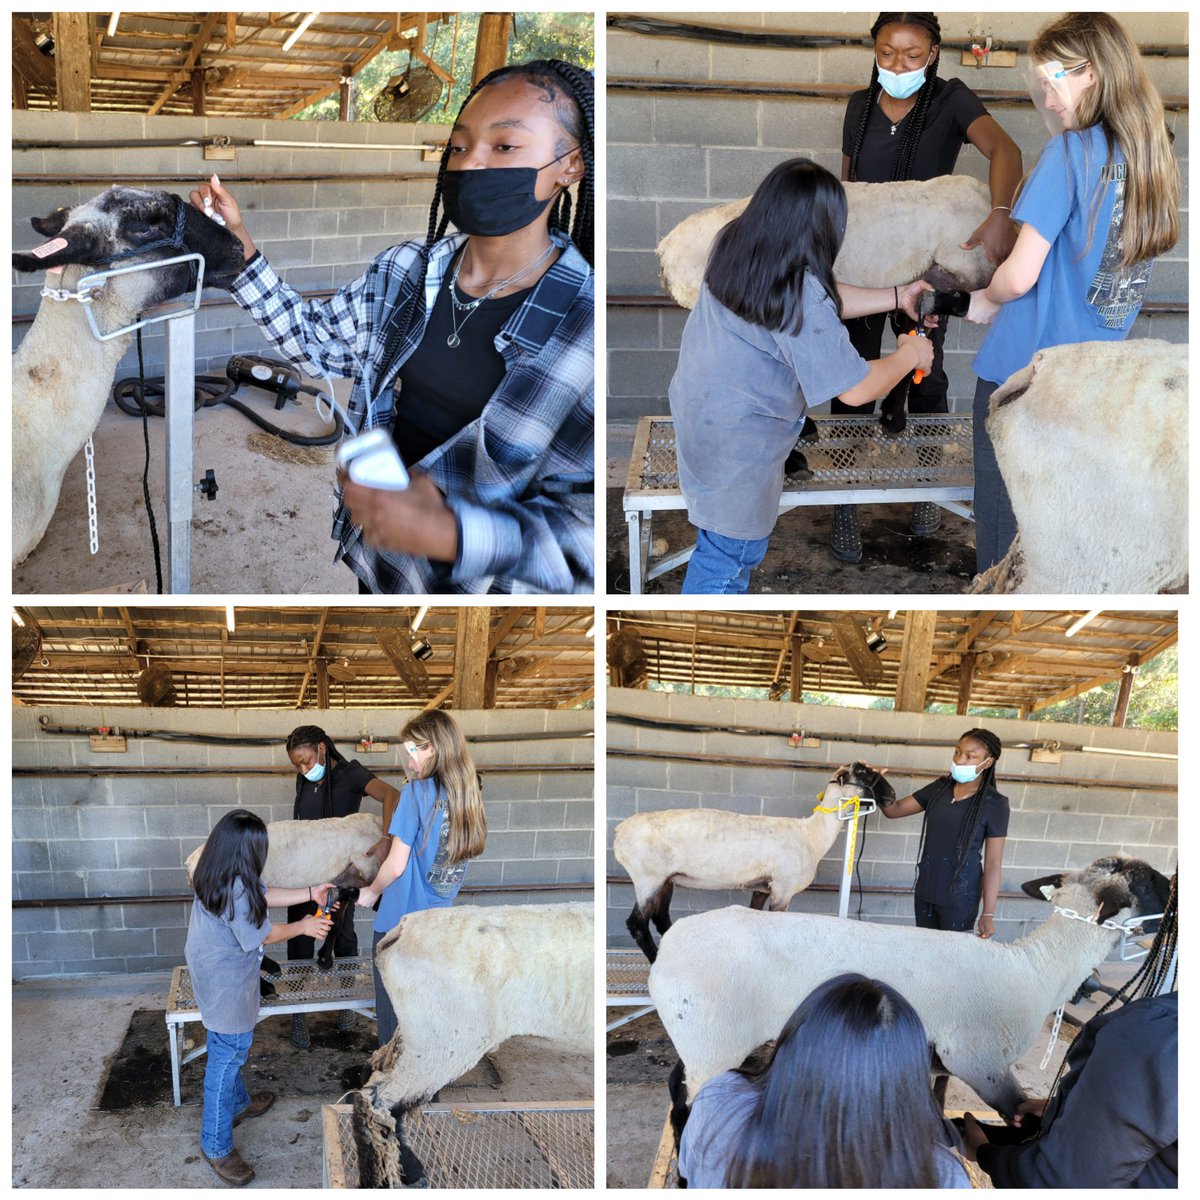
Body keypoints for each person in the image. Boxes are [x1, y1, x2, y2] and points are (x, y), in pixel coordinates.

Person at [191, 59, 594, 594]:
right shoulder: (406, 270)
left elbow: (583, 547)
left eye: (504, 147)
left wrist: (450, 532)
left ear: (569, 166)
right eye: (457, 146)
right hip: (380, 562)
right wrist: (237, 247)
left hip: (478, 596)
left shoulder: (585, 329)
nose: (470, 164)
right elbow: (315, 343)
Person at [964, 12, 1180, 573]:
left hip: (1024, 378)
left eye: (1054, 81)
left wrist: (987, 297)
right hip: (1097, 383)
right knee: (1069, 537)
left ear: (1092, 72)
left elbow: (1019, 275)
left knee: (1005, 546)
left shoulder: (1069, 155)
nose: (1048, 98)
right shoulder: (1152, 155)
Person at [667, 157, 935, 594]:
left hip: (703, 415)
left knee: (719, 543)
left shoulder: (736, 244)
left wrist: (896, 296)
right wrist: (910, 353)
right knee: (727, 560)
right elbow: (856, 389)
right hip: (740, 443)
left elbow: (818, 299)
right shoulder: (797, 291)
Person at [829, 10, 1023, 562]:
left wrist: (1000, 213)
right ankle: (845, 500)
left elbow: (1006, 151)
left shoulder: (952, 99)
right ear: (874, 50)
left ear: (933, 53)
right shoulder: (858, 106)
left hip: (926, 267)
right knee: (852, 374)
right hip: (863, 265)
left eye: (912, 56)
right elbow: (848, 190)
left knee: (925, 371)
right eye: (887, 53)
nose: (898, 65)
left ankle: (925, 487)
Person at [963, 874, 1178, 1185]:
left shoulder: (1154, 1039)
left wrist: (983, 1152)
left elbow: (1056, 1181)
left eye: (1177, 879)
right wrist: (1069, 1111)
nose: (1171, 881)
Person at [677, 973, 970, 1187]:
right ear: (906, 1081)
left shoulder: (718, 1101)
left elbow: (689, 1175)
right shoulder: (939, 1176)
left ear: (795, 1041)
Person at [185, 809, 334, 1187]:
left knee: (230, 1044)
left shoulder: (219, 870)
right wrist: (304, 924)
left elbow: (264, 894)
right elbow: (262, 934)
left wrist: (310, 892)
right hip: (225, 979)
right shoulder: (235, 888)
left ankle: (238, 1103)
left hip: (217, 970)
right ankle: (215, 1145)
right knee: (228, 1051)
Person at [354, 710, 487, 1047]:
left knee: (393, 1018)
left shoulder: (416, 793)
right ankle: (429, 1093)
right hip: (441, 923)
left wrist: (371, 891)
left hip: (400, 922)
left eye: (413, 749)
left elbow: (396, 866)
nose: (409, 760)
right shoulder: (467, 795)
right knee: (430, 1015)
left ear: (432, 748)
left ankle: (396, 1090)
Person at [283, 725, 400, 1048]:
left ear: (322, 748)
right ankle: (298, 1014)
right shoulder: (306, 782)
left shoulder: (351, 774)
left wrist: (386, 839)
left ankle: (347, 1005)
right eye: (297, 765)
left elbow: (392, 795)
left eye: (306, 760)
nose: (303, 769)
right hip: (305, 877)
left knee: (344, 936)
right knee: (301, 940)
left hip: (341, 877)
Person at [879, 728, 1007, 935]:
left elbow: (993, 864)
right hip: (925, 892)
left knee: (951, 960)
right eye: (958, 752)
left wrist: (988, 914)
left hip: (960, 898)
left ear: (988, 762)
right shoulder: (940, 788)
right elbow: (894, 810)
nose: (960, 760)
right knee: (925, 952)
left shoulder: (995, 804)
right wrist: (876, 783)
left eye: (970, 756)